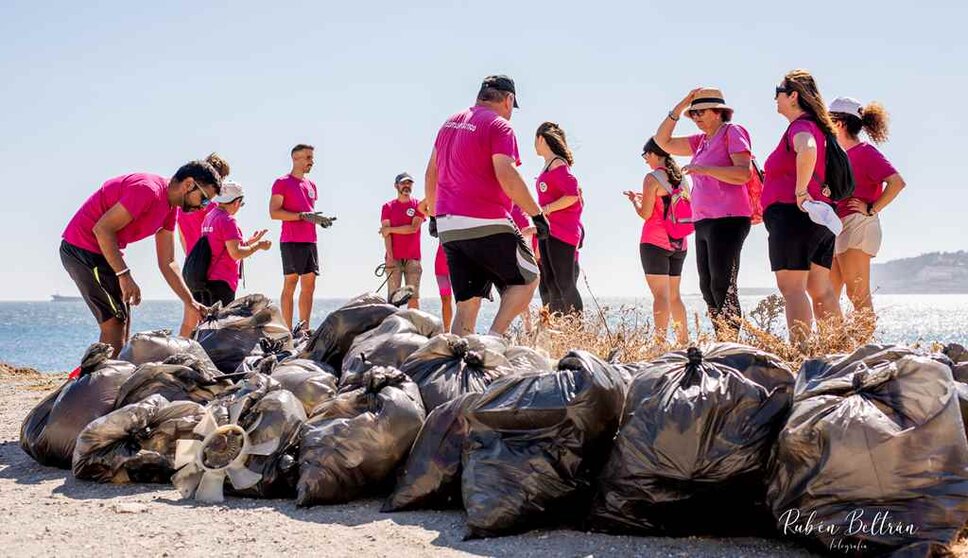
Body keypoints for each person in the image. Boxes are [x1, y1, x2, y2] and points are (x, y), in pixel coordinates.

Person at [423, 74, 549, 337]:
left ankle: (455, 367)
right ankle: (494, 339)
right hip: (485, 219)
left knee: (467, 305)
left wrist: (434, 217)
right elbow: (506, 174)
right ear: (508, 99)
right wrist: (537, 215)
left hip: (448, 225)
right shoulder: (500, 126)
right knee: (529, 278)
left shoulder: (449, 123)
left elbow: (430, 174)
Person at [60, 161, 221, 354]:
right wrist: (124, 275)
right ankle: (102, 380)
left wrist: (190, 301)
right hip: (83, 248)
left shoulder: (170, 209)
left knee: (123, 321)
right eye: (204, 200)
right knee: (114, 321)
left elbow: (168, 262)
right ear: (188, 184)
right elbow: (102, 229)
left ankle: (110, 374)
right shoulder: (148, 190)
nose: (203, 208)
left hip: (104, 253)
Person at [654, 87, 754, 339]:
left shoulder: (732, 132)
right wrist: (681, 105)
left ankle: (731, 344)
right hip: (704, 220)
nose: (696, 116)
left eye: (700, 111)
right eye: (693, 112)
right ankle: (723, 339)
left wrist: (705, 169)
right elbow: (662, 141)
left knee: (723, 284)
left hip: (729, 219)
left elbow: (744, 173)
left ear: (718, 112)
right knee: (707, 286)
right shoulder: (701, 141)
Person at [763, 69, 843, 343]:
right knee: (820, 289)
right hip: (819, 217)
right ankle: (838, 350)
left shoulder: (800, 127)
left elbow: (806, 149)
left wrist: (799, 191)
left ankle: (801, 353)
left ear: (793, 95)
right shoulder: (819, 128)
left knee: (792, 287)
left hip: (793, 215)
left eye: (778, 92)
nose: (775, 98)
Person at [827, 97, 905, 316]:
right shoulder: (837, 157)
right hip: (837, 227)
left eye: (827, 120)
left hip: (858, 224)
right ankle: (835, 347)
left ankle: (862, 348)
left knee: (856, 294)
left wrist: (872, 208)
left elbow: (897, 182)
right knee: (827, 294)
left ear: (839, 123)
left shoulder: (865, 152)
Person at [625, 139, 689, 345]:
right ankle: (683, 342)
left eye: (646, 156)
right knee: (674, 296)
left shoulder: (651, 178)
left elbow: (646, 214)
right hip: (679, 243)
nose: (646, 161)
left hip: (655, 242)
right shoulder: (682, 180)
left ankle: (659, 344)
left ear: (654, 154)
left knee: (660, 296)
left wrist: (635, 201)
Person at [269, 144, 332, 332]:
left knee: (310, 284)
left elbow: (309, 211)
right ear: (295, 158)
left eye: (312, 158)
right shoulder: (281, 182)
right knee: (291, 282)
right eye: (308, 158)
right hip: (290, 240)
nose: (311, 162)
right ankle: (287, 330)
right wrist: (301, 216)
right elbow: (274, 213)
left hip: (310, 240)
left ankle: (304, 330)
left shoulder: (311, 184)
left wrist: (320, 220)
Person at [177, 152, 229, 336]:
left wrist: (191, 258)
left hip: (191, 266)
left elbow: (182, 237)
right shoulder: (214, 209)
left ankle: (177, 353)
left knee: (189, 319)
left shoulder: (183, 207)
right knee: (213, 321)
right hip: (211, 269)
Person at [534, 122, 584, 315]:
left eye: (535, 141)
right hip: (548, 231)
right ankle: (559, 326)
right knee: (550, 282)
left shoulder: (557, 163)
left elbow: (572, 195)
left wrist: (545, 209)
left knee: (565, 282)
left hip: (562, 231)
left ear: (541, 139)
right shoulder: (547, 165)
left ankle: (577, 328)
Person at [199, 181, 272, 307]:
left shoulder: (210, 217)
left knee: (209, 322)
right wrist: (258, 245)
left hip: (207, 278)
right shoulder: (227, 220)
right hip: (222, 280)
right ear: (236, 201)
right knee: (222, 323)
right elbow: (236, 253)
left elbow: (223, 245)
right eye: (241, 204)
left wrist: (250, 242)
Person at [380, 172, 424, 308]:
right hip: (394, 258)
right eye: (403, 183)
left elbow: (413, 228)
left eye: (409, 183)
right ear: (396, 185)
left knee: (413, 297)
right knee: (393, 298)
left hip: (413, 258)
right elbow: (386, 234)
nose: (406, 186)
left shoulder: (418, 205)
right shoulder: (387, 207)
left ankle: (414, 327)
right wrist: (390, 256)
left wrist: (391, 229)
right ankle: (392, 328)